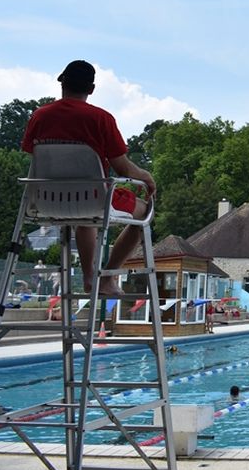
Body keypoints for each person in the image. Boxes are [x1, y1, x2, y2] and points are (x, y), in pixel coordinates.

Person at [21, 60, 156, 297]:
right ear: (91, 89)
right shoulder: (101, 119)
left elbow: (34, 154)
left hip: (44, 201)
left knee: (86, 210)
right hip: (93, 198)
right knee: (143, 212)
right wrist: (145, 176)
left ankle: (88, 277)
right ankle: (108, 276)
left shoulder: (39, 116)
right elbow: (123, 168)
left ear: (62, 82)